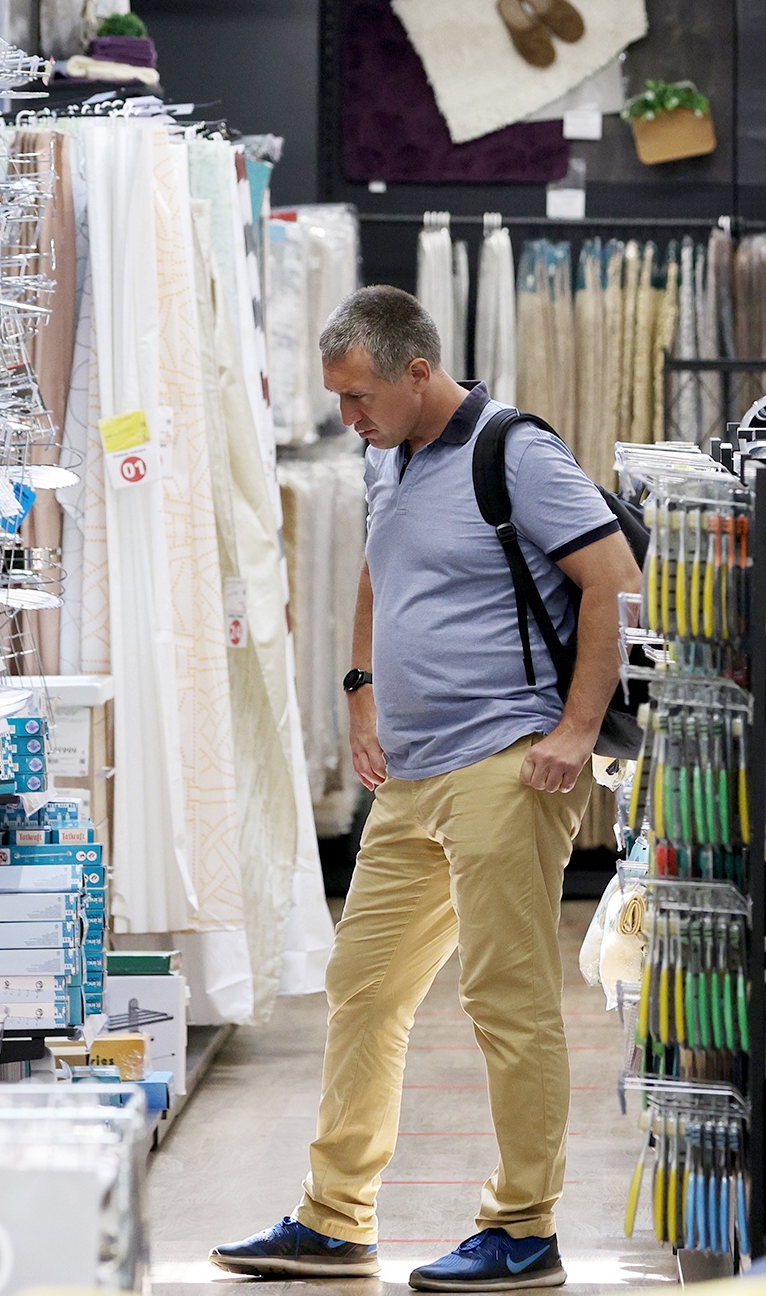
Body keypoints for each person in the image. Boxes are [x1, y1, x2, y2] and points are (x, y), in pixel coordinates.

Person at [212, 286, 642, 1291]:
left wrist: (576, 731)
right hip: (411, 776)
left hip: (504, 763)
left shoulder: (514, 453)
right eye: (339, 399)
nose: (346, 418)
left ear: (418, 371)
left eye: (359, 397)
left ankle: (525, 1228)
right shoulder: (385, 454)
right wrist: (361, 688)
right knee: (363, 985)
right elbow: (380, 564)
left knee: (506, 997)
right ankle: (334, 1219)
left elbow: (614, 579)